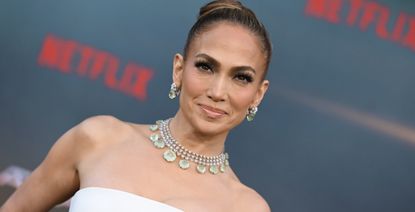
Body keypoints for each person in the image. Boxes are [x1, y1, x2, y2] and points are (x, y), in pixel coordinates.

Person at [1, 0, 272, 211]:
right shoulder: (99, 138)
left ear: (258, 94)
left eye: (241, 77)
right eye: (205, 66)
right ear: (179, 69)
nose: (217, 91)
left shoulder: (247, 207)